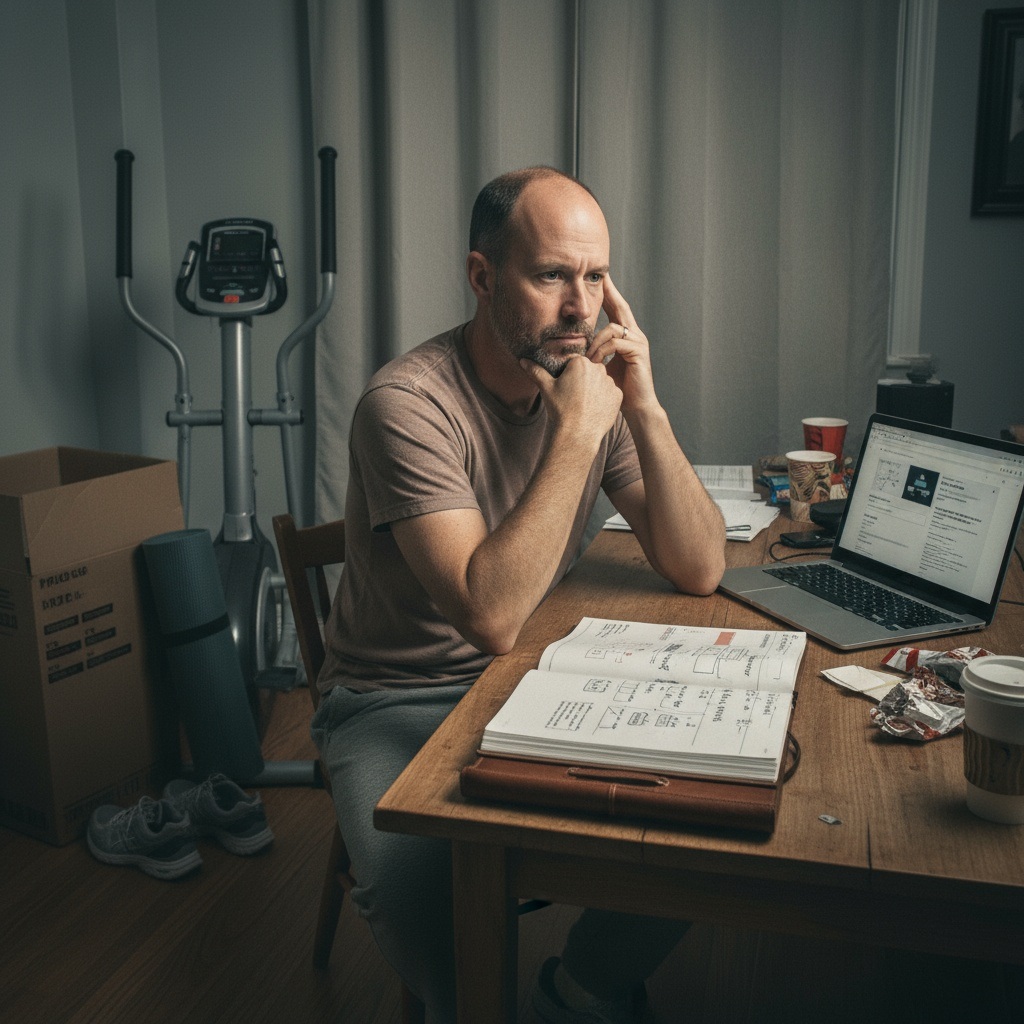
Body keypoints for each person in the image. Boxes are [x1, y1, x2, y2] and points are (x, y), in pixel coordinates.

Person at [311, 166, 727, 1023]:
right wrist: (579, 430)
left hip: (540, 673)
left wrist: (643, 409)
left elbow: (699, 568)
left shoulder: (592, 390)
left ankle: (578, 990)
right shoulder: (405, 406)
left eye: (597, 276)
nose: (582, 307)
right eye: (552, 276)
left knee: (707, 822)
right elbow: (489, 614)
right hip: (394, 699)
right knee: (440, 933)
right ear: (482, 276)